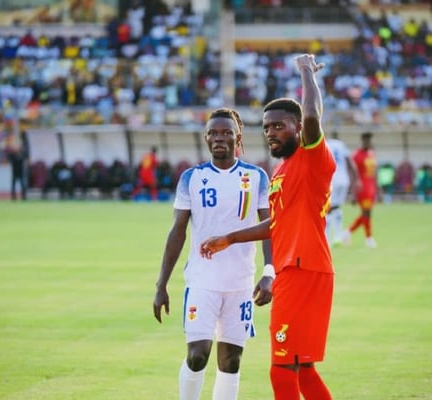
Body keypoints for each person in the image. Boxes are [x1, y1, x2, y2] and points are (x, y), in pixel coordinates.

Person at [200, 54, 336, 400]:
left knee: (282, 367)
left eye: (278, 126)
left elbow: (312, 115)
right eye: (266, 128)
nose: (271, 133)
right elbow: (278, 223)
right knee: (303, 368)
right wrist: (231, 238)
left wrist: (306, 72)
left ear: (298, 127)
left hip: (303, 268)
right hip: (298, 269)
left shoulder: (311, 157)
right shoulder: (283, 169)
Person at [153, 107, 273, 400]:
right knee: (197, 355)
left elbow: (272, 227)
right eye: (213, 133)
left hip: (241, 283)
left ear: (238, 137)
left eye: (226, 132)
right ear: (206, 138)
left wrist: (269, 271)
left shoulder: (256, 177)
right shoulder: (191, 178)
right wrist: (161, 284)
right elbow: (177, 231)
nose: (219, 138)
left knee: (231, 361)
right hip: (202, 281)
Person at [341, 131, 378, 248]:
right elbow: (352, 174)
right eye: (366, 140)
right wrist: (353, 191)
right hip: (362, 188)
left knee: (367, 213)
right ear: (363, 141)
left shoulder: (371, 154)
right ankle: (368, 238)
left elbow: (374, 173)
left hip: (371, 187)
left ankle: (347, 233)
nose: (369, 142)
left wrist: (378, 189)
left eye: (370, 140)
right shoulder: (356, 155)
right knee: (366, 213)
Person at [326, 131, 359, 246]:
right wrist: (356, 180)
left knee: (328, 209)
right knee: (336, 207)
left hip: (332, 179)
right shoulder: (341, 145)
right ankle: (338, 236)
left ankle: (327, 238)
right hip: (344, 180)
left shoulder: (325, 144)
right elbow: (350, 163)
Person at [4, 129, 30, 201]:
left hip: (20, 171)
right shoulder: (12, 154)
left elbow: (26, 159)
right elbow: (7, 159)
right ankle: (13, 197)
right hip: (15, 171)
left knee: (22, 184)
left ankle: (23, 196)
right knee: (14, 184)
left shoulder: (22, 154)